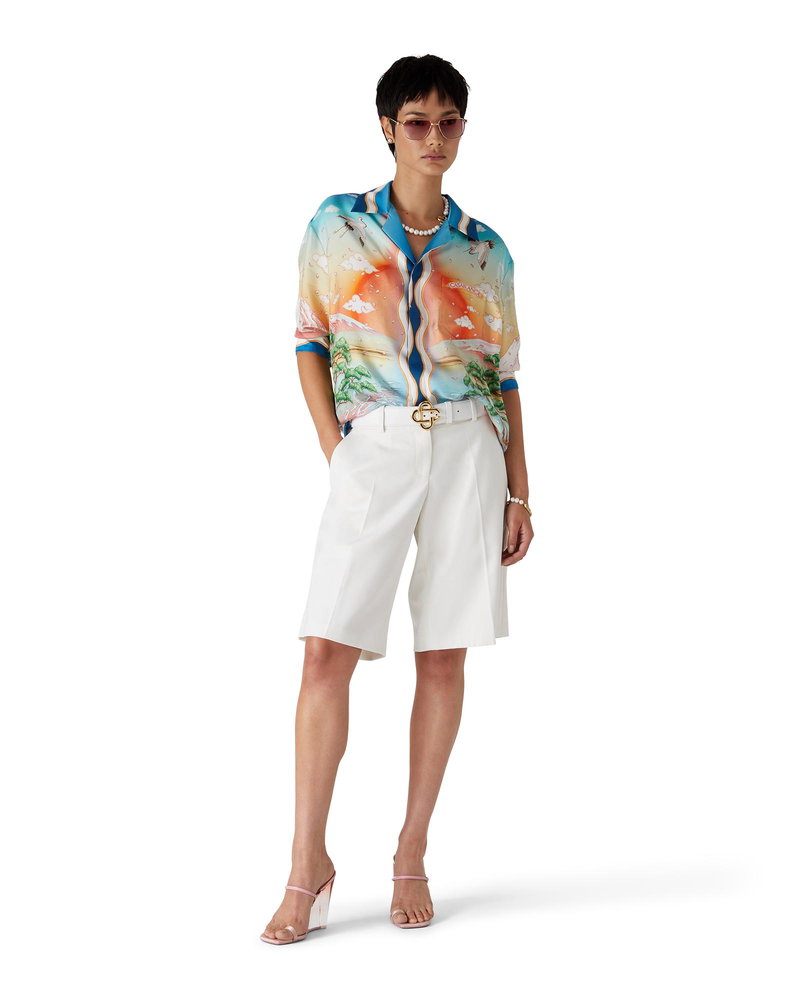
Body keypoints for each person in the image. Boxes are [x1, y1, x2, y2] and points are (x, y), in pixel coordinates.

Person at [261, 54, 534, 945]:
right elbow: (309, 340)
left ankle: (411, 849)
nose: (434, 137)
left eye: (449, 122)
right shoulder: (337, 225)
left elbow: (505, 374)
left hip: (467, 449)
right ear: (387, 127)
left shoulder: (485, 248)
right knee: (324, 652)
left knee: (443, 656)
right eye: (417, 121)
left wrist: (521, 491)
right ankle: (307, 863)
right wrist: (337, 451)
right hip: (372, 445)